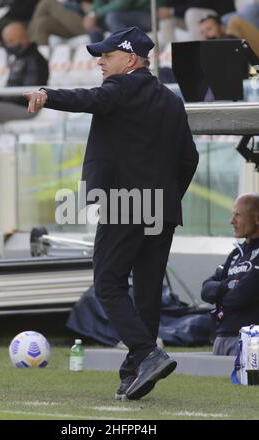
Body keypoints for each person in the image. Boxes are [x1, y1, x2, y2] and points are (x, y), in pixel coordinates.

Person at [24, 26, 199, 400]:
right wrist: (166, 199)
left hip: (127, 204)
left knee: (108, 282)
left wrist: (46, 93)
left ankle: (146, 354)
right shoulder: (171, 100)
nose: (100, 62)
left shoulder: (121, 89)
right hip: (162, 209)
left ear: (131, 59)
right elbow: (190, 159)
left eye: (107, 55)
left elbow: (86, 99)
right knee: (148, 292)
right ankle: (134, 372)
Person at [201, 193, 259, 356]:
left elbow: (242, 295)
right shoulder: (236, 254)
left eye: (238, 215)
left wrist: (220, 295)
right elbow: (205, 289)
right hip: (220, 338)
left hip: (250, 341)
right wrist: (228, 285)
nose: (231, 221)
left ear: (257, 218)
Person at [83, 0, 153, 42]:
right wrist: (91, 15)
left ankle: (124, 49)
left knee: (112, 17)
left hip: (148, 16)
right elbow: (98, 3)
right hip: (125, 17)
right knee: (92, 22)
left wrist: (96, 14)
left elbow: (121, 5)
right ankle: (98, 56)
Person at [28, 0, 93, 45]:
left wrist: (93, 10)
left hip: (88, 22)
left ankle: (28, 45)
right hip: (71, 23)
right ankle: (39, 59)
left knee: (47, 3)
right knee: (42, 23)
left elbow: (95, 6)